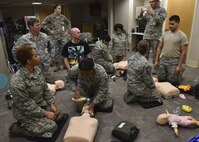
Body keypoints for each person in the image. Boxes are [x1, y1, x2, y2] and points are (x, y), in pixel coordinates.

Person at [9, 45, 63, 138]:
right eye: (36, 56)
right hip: (25, 112)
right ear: (29, 61)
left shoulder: (37, 70)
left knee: (59, 115)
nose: (39, 57)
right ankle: (19, 128)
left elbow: (45, 89)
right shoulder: (17, 81)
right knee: (52, 127)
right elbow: (26, 105)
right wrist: (45, 113)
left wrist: (51, 104)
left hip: (39, 105)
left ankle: (38, 121)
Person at [12, 18, 54, 83]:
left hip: (46, 67)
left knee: (51, 86)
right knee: (36, 87)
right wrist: (22, 63)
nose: (39, 26)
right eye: (37, 25)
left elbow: (51, 47)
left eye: (39, 25)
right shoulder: (24, 39)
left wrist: (51, 58)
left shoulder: (44, 36)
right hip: (33, 68)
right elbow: (14, 51)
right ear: (31, 27)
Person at [124, 40, 162, 104]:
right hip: (138, 89)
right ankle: (139, 98)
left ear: (137, 47)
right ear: (147, 50)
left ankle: (132, 93)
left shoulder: (130, 58)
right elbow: (149, 81)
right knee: (158, 97)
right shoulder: (146, 64)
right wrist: (154, 87)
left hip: (129, 85)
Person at [154, 15, 188, 86]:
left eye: (172, 24)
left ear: (178, 23)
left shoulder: (182, 36)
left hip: (173, 62)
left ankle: (179, 74)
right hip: (163, 60)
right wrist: (156, 60)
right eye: (169, 24)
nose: (170, 25)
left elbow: (183, 52)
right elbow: (159, 48)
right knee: (161, 79)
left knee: (172, 82)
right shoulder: (165, 34)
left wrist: (179, 66)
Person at [42, 3, 71, 71]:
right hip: (54, 37)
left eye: (60, 8)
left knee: (65, 50)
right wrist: (50, 31)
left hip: (62, 36)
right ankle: (57, 66)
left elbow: (69, 24)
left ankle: (65, 65)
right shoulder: (50, 17)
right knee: (55, 52)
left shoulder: (63, 17)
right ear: (54, 9)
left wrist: (67, 31)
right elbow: (43, 24)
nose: (60, 10)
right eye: (59, 8)